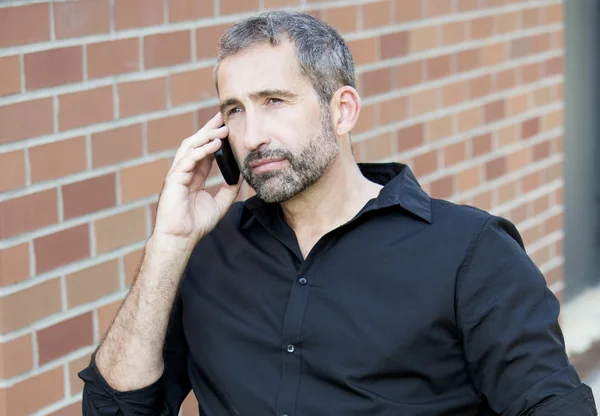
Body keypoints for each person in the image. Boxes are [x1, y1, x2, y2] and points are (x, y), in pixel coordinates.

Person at [79, 10, 597, 416]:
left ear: (342, 110)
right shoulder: (207, 250)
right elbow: (115, 409)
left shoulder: (470, 251)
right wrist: (169, 243)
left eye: (275, 100)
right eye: (235, 109)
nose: (253, 134)